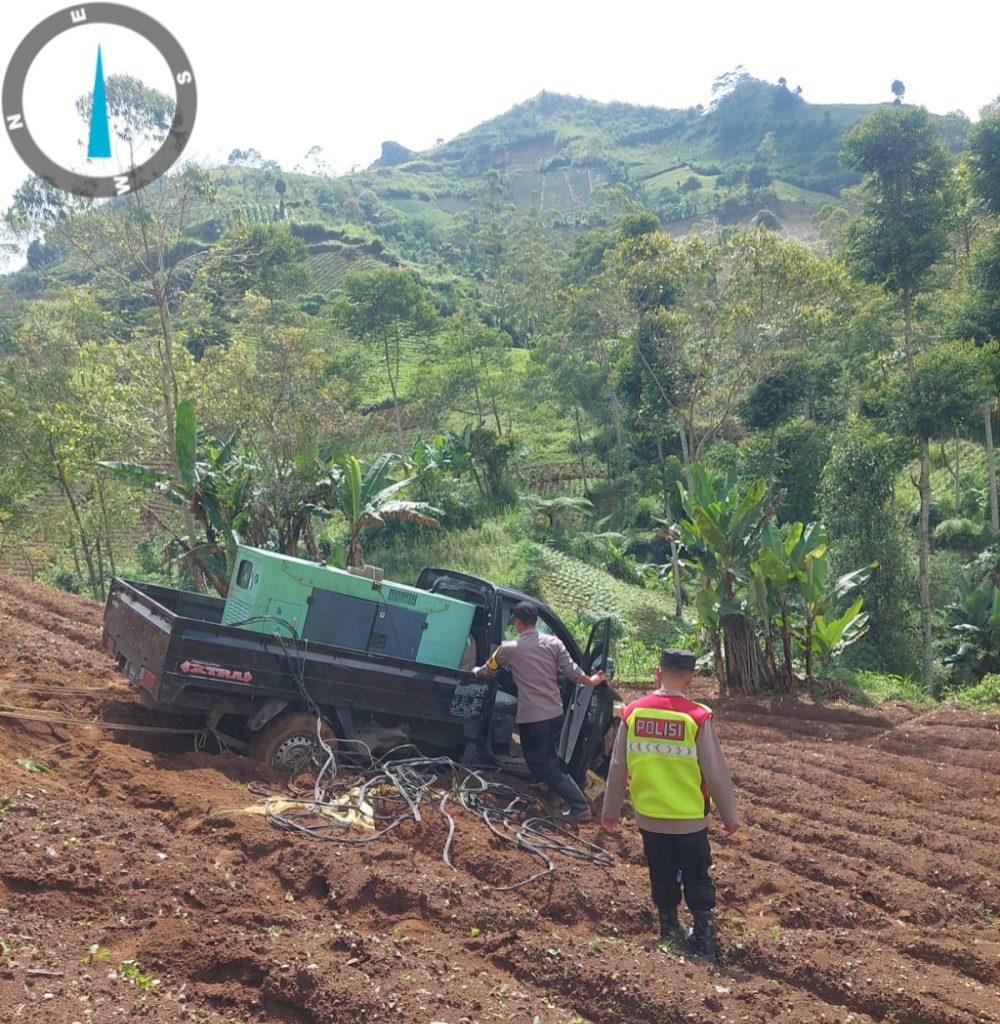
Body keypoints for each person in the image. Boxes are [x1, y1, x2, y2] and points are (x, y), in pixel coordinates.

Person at [601, 648, 739, 960]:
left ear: (658, 673)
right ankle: (704, 940)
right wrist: (730, 817)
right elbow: (715, 773)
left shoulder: (633, 713)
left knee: (660, 871)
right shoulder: (697, 718)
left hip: (649, 817)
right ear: (690, 679)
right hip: (689, 818)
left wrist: (610, 811)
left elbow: (617, 767)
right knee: (696, 874)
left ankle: (668, 927)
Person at [472, 600, 608, 822]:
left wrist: (476, 671)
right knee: (548, 758)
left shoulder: (509, 649)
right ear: (535, 620)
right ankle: (553, 792)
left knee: (540, 763)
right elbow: (574, 673)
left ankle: (579, 806)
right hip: (555, 714)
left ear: (517, 622)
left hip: (532, 718)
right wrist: (592, 680)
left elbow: (489, 669)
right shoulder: (554, 643)